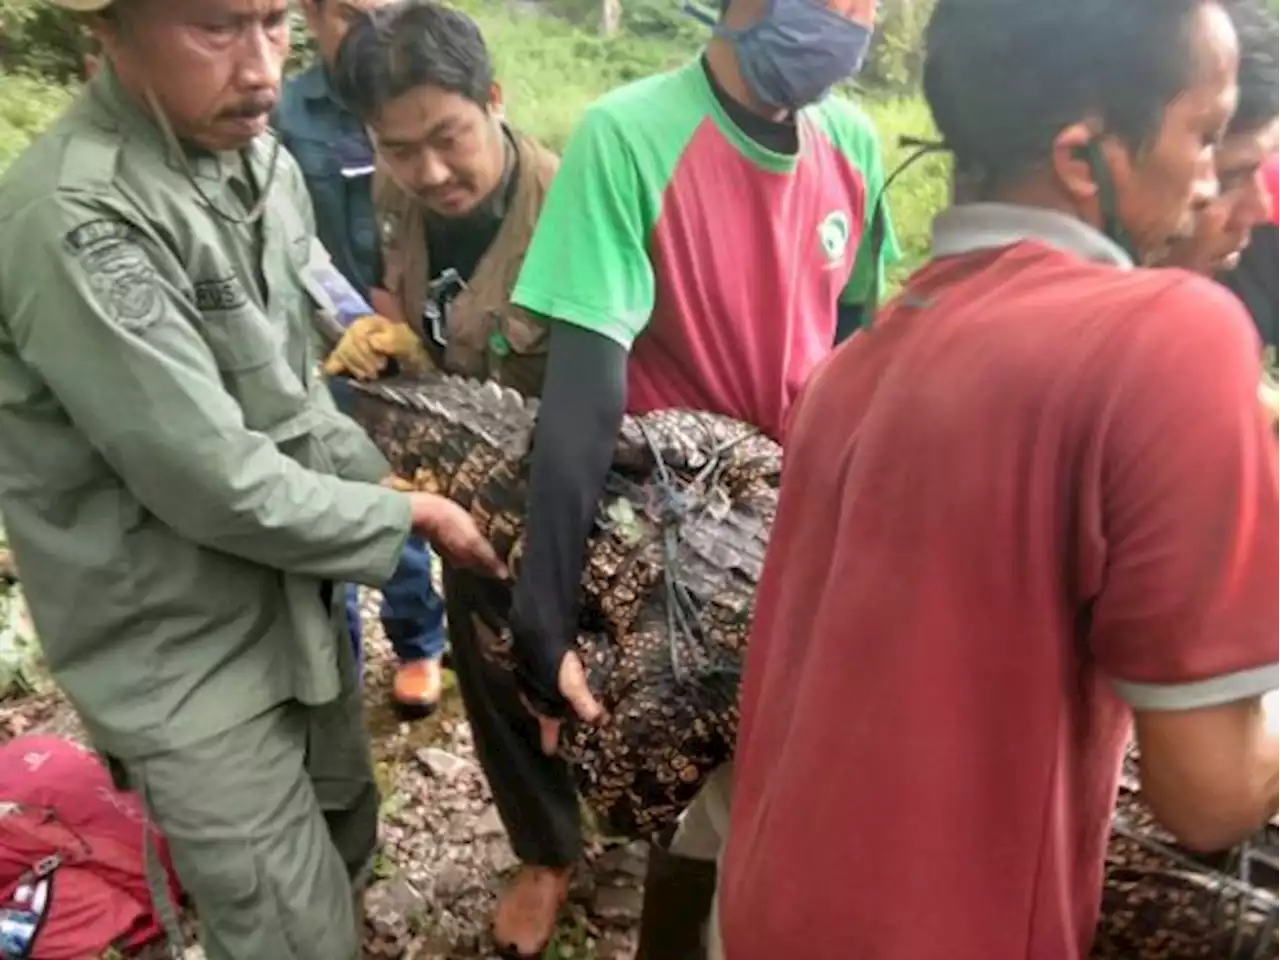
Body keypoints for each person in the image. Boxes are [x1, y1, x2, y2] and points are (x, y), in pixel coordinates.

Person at [717, 0, 1280, 956]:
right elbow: (1211, 795)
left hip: (763, 914)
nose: (1233, 191)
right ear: (1081, 155)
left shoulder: (855, 366)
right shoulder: (1170, 334)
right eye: (1205, 135)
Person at [0, 2, 506, 960]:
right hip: (184, 653)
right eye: (216, 28)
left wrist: (383, 401)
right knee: (286, 928)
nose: (262, 65)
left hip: (295, 602)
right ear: (112, 31)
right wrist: (417, 511)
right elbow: (210, 478)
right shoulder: (77, 217)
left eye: (275, 23)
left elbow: (300, 372)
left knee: (345, 838)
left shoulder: (261, 166)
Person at [487, 0, 901, 954]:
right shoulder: (629, 137)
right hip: (675, 524)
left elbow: (857, 345)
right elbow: (586, 395)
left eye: (864, 8)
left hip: (796, 516)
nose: (850, 24)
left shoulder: (850, 142)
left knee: (777, 791)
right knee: (703, 787)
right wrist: (543, 610)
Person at [275, 0, 450, 718]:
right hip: (319, 351)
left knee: (399, 495)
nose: (369, 30)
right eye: (350, 14)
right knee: (323, 500)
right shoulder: (284, 115)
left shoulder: (421, 97)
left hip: (402, 343)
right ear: (311, 18)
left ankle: (417, 640)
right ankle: (336, 663)